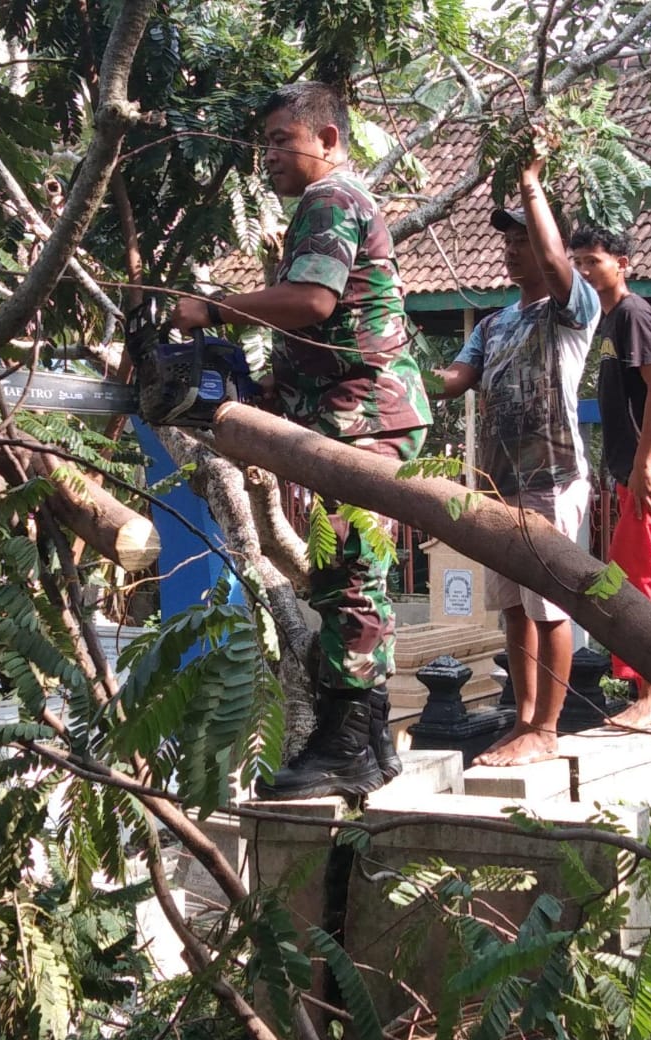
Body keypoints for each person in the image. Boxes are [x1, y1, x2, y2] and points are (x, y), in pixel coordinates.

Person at [171, 81, 432, 800]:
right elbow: (316, 325)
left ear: (328, 140)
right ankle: (371, 737)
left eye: (283, 141)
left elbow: (313, 302)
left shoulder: (332, 198)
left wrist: (209, 310)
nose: (269, 158)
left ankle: (344, 741)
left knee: (348, 571)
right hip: (349, 411)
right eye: (265, 145)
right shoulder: (327, 207)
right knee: (350, 569)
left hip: (363, 414)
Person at [432, 152, 600, 767]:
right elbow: (454, 379)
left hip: (551, 478)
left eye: (524, 239)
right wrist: (397, 375)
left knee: (548, 605)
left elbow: (558, 264)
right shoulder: (495, 323)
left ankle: (547, 727)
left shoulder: (574, 309)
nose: (512, 249)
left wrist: (532, 184)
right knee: (512, 605)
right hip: (499, 485)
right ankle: (523, 716)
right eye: (507, 240)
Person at [569, 226, 651, 728]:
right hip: (649, 469)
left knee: (633, 578)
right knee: (650, 577)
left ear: (622, 262)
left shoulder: (632, 314)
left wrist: (645, 463)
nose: (583, 270)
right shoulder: (610, 319)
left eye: (593, 261)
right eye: (577, 261)